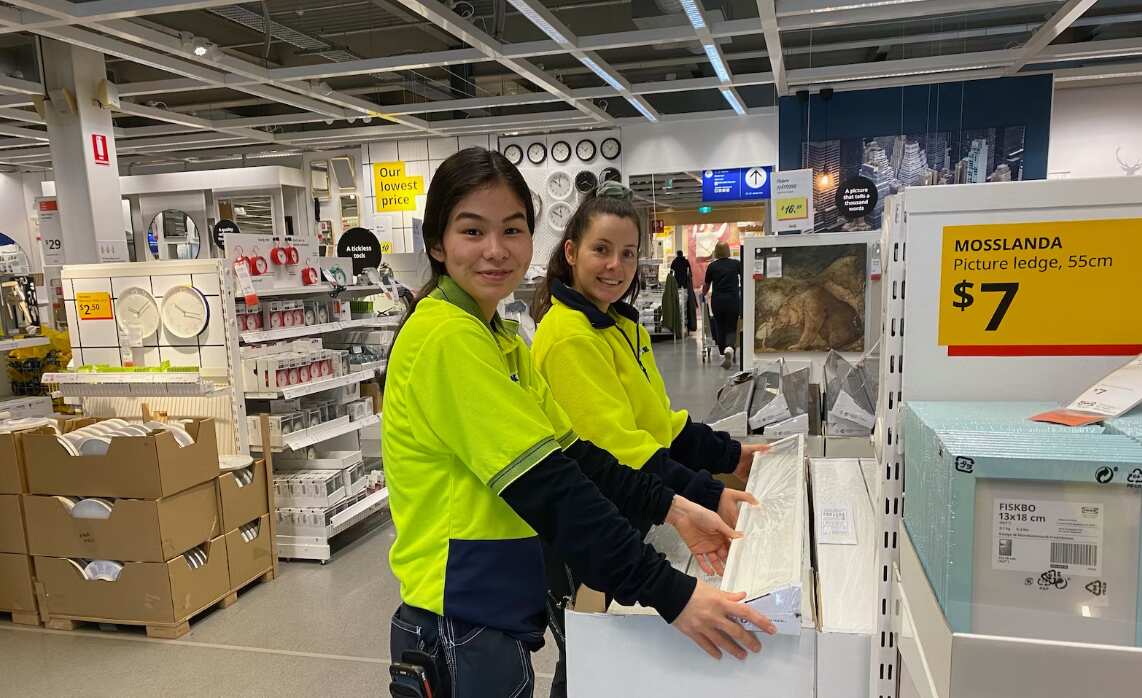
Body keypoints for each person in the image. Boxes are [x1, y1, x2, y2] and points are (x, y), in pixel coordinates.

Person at [383, 148, 777, 697]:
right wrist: (671, 593)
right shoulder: (447, 338)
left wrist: (678, 508)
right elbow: (549, 486)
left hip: (488, 608)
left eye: (513, 230)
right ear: (437, 243)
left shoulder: (498, 337)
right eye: (473, 231)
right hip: (456, 612)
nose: (496, 250)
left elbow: (580, 456)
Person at [530, 183, 772, 696]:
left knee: (599, 656)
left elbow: (660, 425)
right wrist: (707, 496)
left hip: (627, 513)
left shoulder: (618, 324)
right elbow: (618, 451)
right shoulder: (570, 335)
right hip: (583, 533)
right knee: (586, 657)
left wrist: (734, 457)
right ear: (571, 252)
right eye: (601, 249)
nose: (614, 266)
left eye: (627, 253)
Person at [703, 241, 743, 368]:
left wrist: (703, 294)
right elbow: (745, 278)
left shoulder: (712, 266)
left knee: (719, 326)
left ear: (716, 251)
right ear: (728, 251)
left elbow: (706, 285)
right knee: (731, 325)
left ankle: (722, 351)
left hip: (718, 301)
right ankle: (730, 349)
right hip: (733, 300)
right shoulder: (736, 264)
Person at [669, 250, 697, 332]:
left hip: (677, 284)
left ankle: (680, 321)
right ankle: (688, 323)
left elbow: (671, 272)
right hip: (685, 284)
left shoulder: (674, 261)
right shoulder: (686, 261)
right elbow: (690, 272)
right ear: (682, 254)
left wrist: (670, 280)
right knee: (686, 302)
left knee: (680, 302)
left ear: (677, 254)